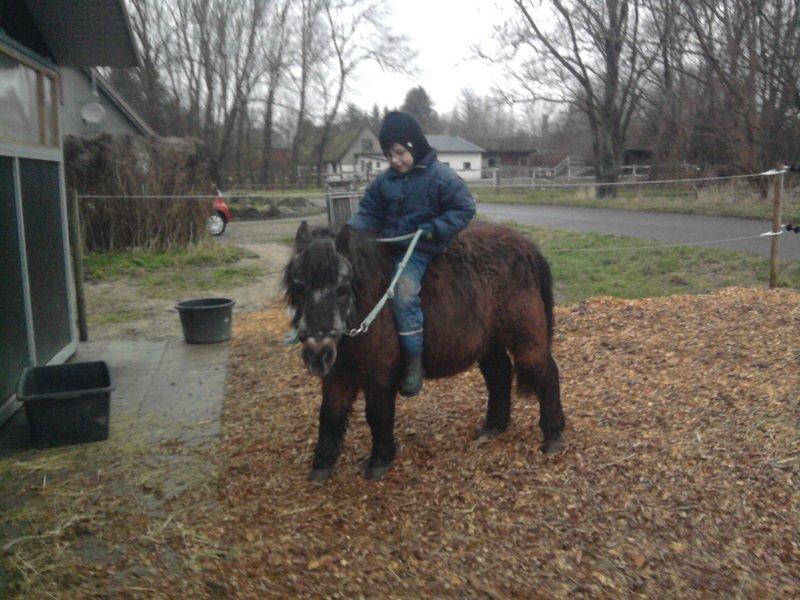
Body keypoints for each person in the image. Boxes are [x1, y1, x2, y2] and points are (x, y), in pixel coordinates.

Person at [348, 111, 476, 397]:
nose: (394, 160)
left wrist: (434, 228)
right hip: (387, 246)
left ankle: (413, 361)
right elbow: (367, 213)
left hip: (420, 248)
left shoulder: (441, 177)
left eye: (399, 153)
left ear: (414, 146)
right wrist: (348, 234)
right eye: (389, 155)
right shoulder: (384, 182)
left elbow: (465, 208)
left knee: (404, 293)